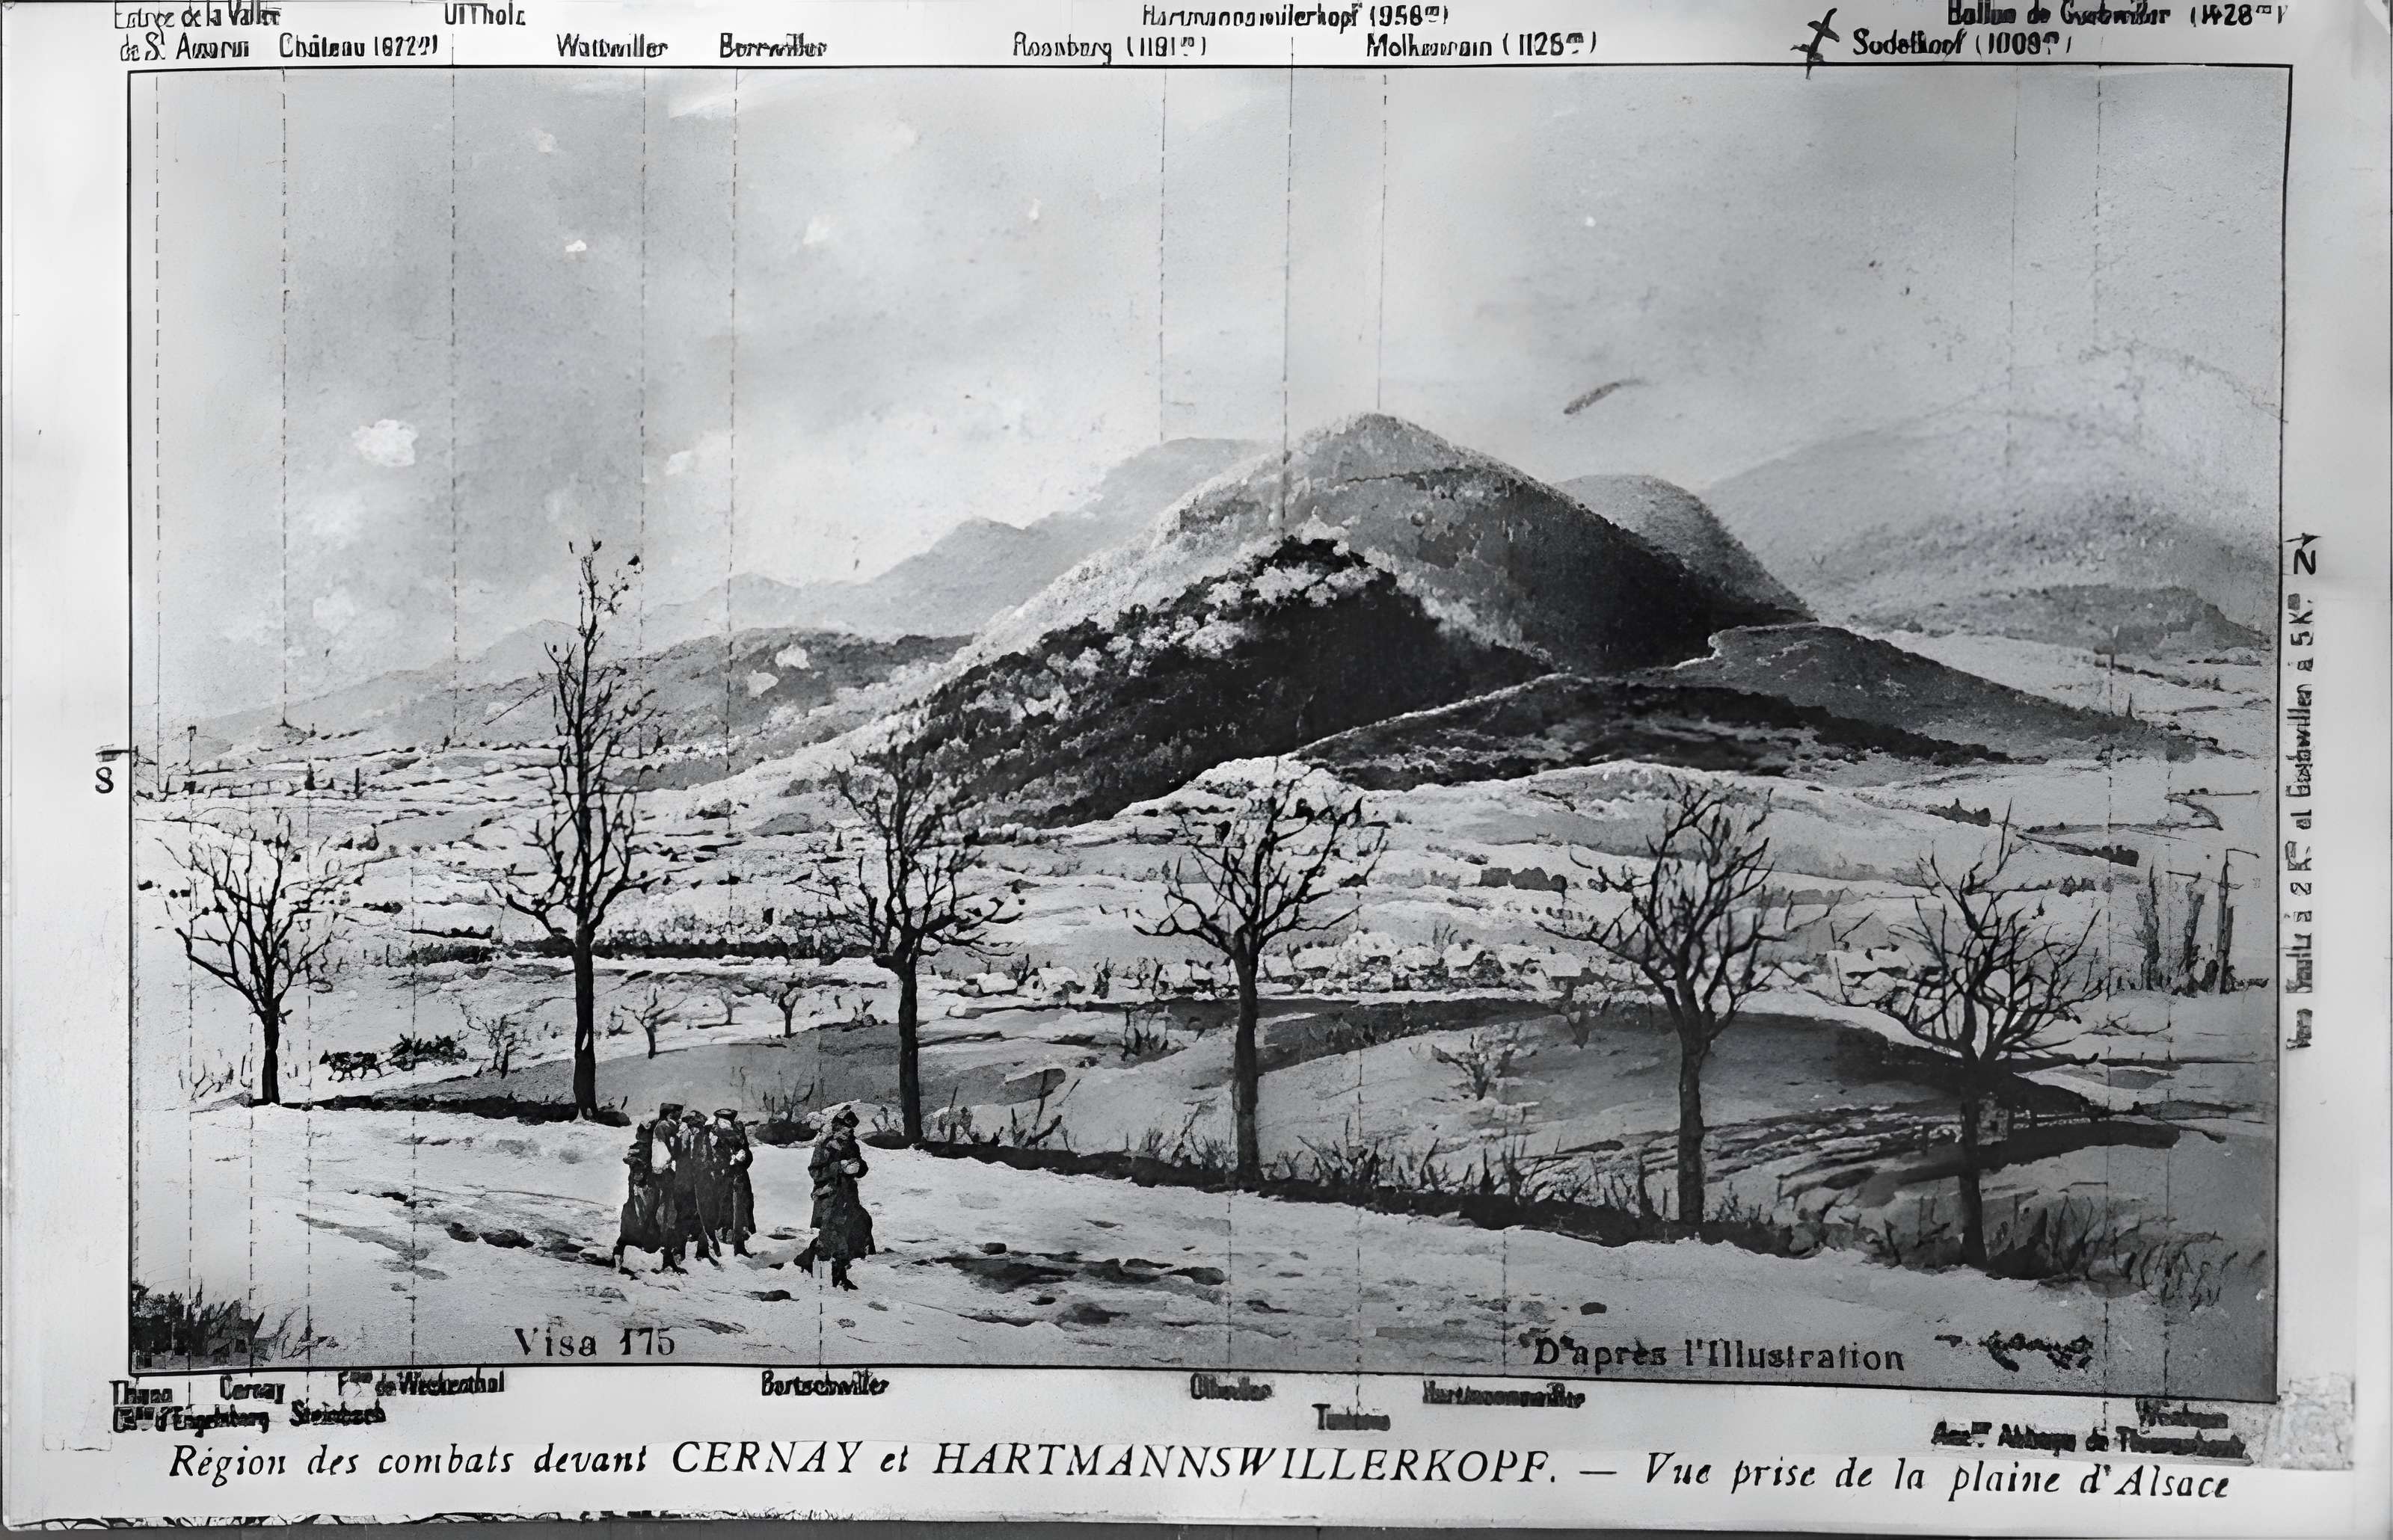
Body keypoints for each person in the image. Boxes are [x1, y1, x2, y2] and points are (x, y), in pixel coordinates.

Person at [796, 1106, 874, 1290]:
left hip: (849, 1197)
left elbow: (861, 1168)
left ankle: (840, 1276)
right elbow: (815, 1172)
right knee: (830, 1237)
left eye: (851, 1127)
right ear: (837, 1127)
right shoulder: (825, 1145)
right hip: (829, 1198)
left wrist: (859, 1167)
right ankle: (808, 1262)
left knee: (850, 1233)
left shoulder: (852, 1145)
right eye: (846, 1127)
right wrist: (839, 1167)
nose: (849, 1130)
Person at [611, 1110, 671, 1275]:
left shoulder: (648, 1149)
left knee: (641, 1220)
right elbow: (638, 1176)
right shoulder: (644, 1150)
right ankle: (628, 1256)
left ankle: (624, 1254)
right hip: (642, 1193)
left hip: (641, 1193)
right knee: (642, 1219)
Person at [669, 1105, 719, 1268]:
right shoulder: (680, 1139)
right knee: (683, 1215)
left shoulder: (706, 1140)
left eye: (697, 1126)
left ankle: (703, 1251)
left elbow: (710, 1160)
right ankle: (679, 1249)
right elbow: (674, 1156)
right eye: (692, 1126)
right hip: (684, 1183)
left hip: (702, 1183)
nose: (694, 1129)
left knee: (704, 1216)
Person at [713, 1109, 756, 1257]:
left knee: (741, 1211)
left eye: (729, 1119)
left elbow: (748, 1153)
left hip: (740, 1177)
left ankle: (740, 1246)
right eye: (724, 1119)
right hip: (722, 1179)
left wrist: (744, 1157)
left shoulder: (738, 1131)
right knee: (723, 1211)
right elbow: (711, 1156)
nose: (727, 1122)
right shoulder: (713, 1133)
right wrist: (728, 1162)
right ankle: (718, 1246)